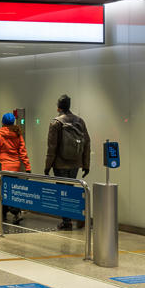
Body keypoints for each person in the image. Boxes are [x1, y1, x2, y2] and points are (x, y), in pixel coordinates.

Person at [44, 95, 91, 230]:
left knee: (62, 192)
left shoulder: (56, 123)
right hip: (75, 163)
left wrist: (47, 166)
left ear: (58, 107)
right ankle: (74, 218)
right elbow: (87, 143)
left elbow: (51, 147)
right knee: (70, 190)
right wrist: (85, 164)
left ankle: (67, 221)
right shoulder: (80, 121)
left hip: (60, 163)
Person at [0, 112, 31, 224]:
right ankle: (10, 213)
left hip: (3, 167)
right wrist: (27, 167)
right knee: (12, 190)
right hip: (15, 167)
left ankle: (9, 213)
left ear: (3, 122)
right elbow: (23, 152)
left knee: (3, 191)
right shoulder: (18, 134)